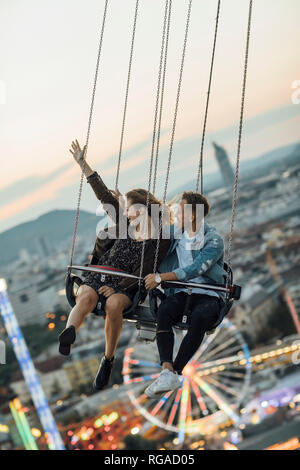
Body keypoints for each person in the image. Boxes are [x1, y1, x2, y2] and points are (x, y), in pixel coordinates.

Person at [58, 140, 170, 390]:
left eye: (129, 207)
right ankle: (69, 332)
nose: (125, 210)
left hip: (126, 283)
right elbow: (103, 194)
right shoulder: (124, 223)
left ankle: (108, 359)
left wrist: (120, 284)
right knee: (85, 296)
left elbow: (145, 271)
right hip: (102, 272)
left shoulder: (158, 237)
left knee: (114, 303)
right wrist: (82, 163)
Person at [143, 191, 227, 398]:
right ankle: (166, 370)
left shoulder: (213, 240)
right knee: (164, 312)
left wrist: (162, 277)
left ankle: (175, 372)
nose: (176, 213)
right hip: (182, 291)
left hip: (210, 293)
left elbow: (197, 268)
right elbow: (149, 229)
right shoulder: (176, 233)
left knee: (200, 317)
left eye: (180, 209)